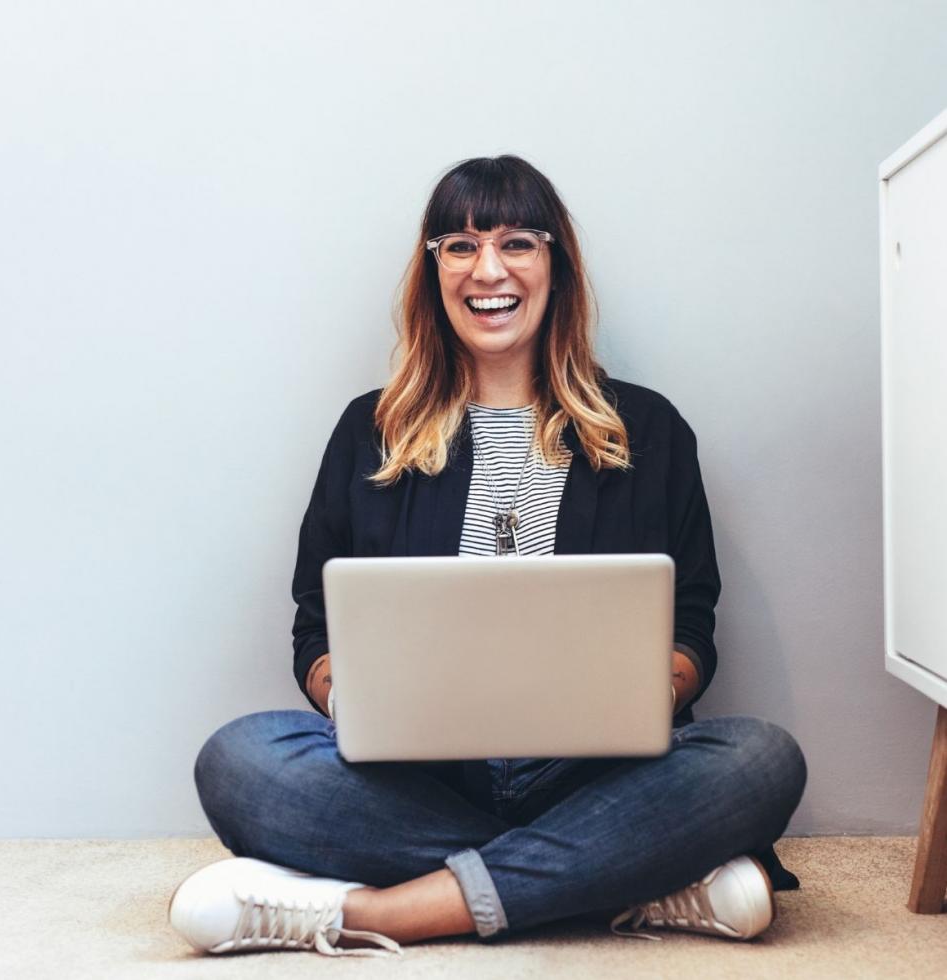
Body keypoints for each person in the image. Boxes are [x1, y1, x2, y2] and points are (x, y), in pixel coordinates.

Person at [168, 155, 807, 958]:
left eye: (517, 242)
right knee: (239, 760)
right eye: (460, 246)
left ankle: (377, 913)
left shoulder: (648, 430)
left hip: (599, 773)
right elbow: (315, 626)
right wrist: (350, 700)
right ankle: (629, 878)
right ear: (432, 269)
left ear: (556, 266)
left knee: (757, 761)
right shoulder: (371, 431)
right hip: (422, 777)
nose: (489, 269)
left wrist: (656, 685)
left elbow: (691, 625)